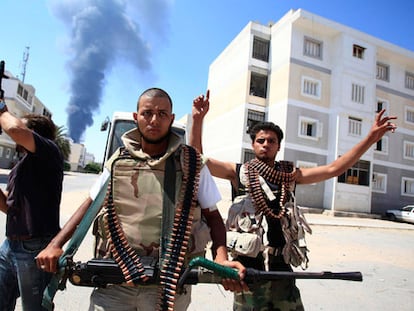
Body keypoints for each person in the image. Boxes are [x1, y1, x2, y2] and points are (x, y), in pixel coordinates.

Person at [36, 87, 248, 310]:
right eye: (147, 113)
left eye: (162, 114)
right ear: (136, 117)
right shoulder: (118, 161)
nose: (154, 120)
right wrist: (55, 245)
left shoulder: (191, 163)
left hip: (168, 285)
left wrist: (221, 259)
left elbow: (213, 218)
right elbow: (90, 205)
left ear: (172, 119)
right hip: (116, 281)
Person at [190, 90, 397, 310]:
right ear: (253, 145)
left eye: (271, 141)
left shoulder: (291, 175)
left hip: (282, 266)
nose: (265, 144)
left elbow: (335, 168)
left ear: (278, 146)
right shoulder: (238, 172)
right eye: (260, 140)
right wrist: (197, 119)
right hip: (247, 266)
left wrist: (371, 138)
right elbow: (197, 160)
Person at [0, 102, 64, 311]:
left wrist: (1, 108)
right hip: (10, 246)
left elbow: (15, 129)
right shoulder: (23, 166)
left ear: (35, 134)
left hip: (34, 248)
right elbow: (10, 207)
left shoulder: (49, 151)